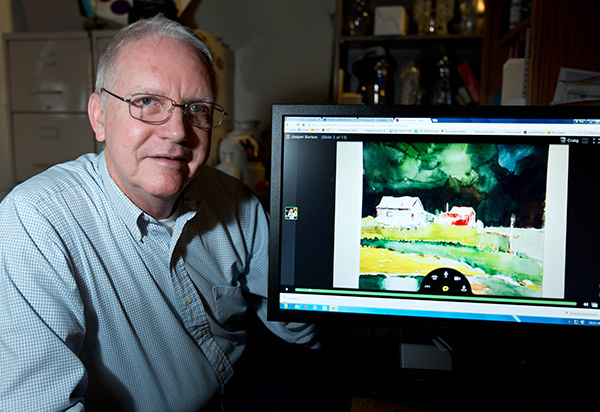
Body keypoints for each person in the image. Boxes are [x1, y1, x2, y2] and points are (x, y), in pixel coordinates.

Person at [0, 15, 318, 411]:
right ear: (99, 116)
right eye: (147, 102)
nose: (177, 131)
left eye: (197, 108)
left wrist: (315, 256)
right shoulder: (36, 221)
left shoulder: (235, 201)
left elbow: (300, 329)